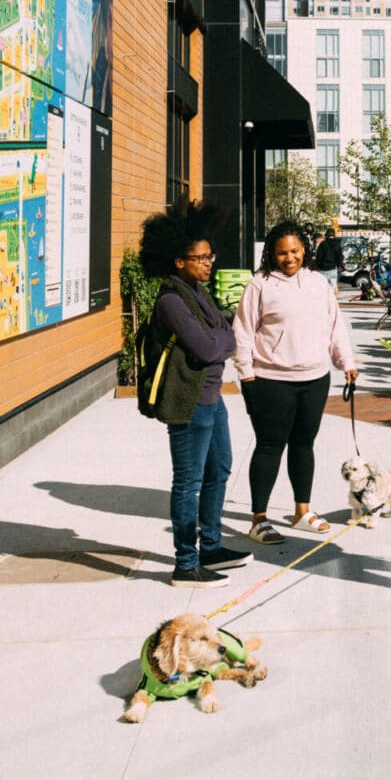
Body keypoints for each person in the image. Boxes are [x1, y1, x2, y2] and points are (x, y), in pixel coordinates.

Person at [136, 206, 253, 584]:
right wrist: (225, 341)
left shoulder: (197, 292)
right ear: (178, 261)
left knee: (218, 470)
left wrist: (223, 339)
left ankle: (213, 548)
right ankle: (186, 563)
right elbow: (208, 346)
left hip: (211, 400)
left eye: (209, 256)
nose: (207, 264)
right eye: (199, 258)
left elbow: (224, 333)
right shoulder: (172, 300)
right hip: (187, 404)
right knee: (187, 481)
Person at [234, 221, 358, 543]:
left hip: (315, 379)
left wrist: (347, 363)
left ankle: (302, 511)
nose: (289, 258)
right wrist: (247, 375)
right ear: (271, 255)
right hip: (271, 380)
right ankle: (259, 518)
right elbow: (243, 333)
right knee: (269, 446)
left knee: (304, 445)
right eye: (281, 253)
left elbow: (335, 328)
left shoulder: (318, 283)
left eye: (294, 251)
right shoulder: (260, 284)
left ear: (304, 249)